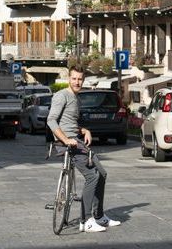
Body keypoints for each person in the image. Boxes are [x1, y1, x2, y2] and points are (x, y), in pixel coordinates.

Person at [46, 65, 121, 233]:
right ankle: (86, 221)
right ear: (69, 78)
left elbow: (70, 123)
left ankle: (99, 216)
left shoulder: (76, 98)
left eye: (80, 79)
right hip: (67, 144)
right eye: (74, 78)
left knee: (102, 173)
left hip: (77, 141)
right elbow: (51, 120)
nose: (77, 82)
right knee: (92, 176)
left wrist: (84, 130)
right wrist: (65, 139)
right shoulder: (61, 96)